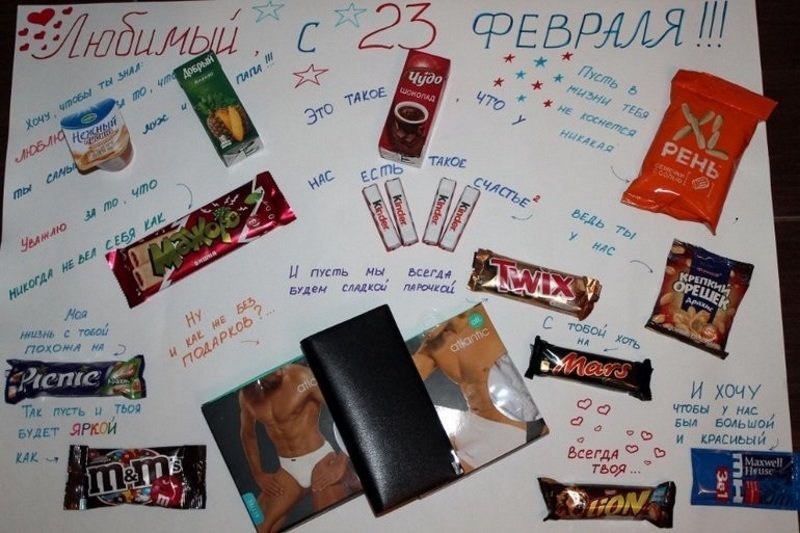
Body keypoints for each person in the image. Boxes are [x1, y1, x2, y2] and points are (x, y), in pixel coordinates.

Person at [411, 309, 544, 471]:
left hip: (504, 432)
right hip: (470, 423)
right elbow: (401, 378)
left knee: (441, 475)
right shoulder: (433, 345)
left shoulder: (486, 316)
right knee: (414, 457)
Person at [239, 363, 359, 533]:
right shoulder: (246, 395)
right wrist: (258, 474)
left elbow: (348, 410)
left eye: (279, 368)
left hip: (321, 460)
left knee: (333, 523)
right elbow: (247, 434)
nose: (279, 371)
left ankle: (351, 478)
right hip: (289, 469)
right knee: (256, 526)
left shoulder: (303, 376)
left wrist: (341, 461)